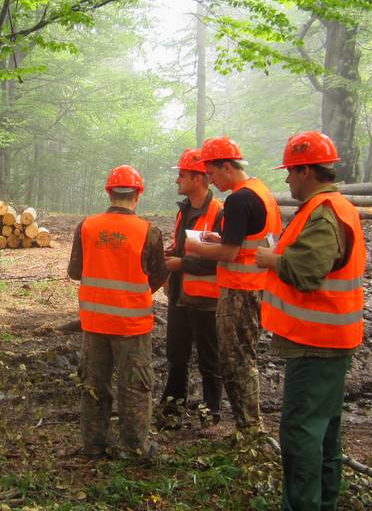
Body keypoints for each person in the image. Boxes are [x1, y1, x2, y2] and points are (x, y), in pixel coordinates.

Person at [255, 132, 366, 511]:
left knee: (301, 432)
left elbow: (307, 271)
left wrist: (270, 260)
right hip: (329, 337)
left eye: (290, 172)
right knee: (324, 430)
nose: (287, 180)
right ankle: (324, 502)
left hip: (316, 340)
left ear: (306, 171)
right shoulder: (335, 207)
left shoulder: (324, 212)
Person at [185, 136, 281, 434]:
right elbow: (243, 241)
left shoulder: (239, 199)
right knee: (243, 355)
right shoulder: (260, 191)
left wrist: (194, 246)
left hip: (241, 288)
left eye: (211, 173)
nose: (210, 179)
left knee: (236, 359)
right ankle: (248, 426)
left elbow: (229, 253)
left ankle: (249, 428)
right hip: (257, 285)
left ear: (227, 166)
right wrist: (219, 239)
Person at [68, 165, 165, 459]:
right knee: (134, 387)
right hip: (132, 325)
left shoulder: (86, 226)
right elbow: (157, 277)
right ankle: (135, 448)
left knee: (94, 384)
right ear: (137, 196)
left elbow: (75, 272)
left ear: (109, 193)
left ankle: (94, 445)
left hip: (95, 322)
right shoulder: (150, 232)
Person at [161, 149, 223, 427]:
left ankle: (212, 409)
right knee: (176, 354)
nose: (177, 180)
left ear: (198, 179)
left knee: (209, 358)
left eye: (182, 175)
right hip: (179, 295)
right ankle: (173, 404)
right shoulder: (184, 210)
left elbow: (217, 261)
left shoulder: (218, 213)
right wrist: (173, 251)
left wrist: (180, 263)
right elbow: (186, 246)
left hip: (206, 300)